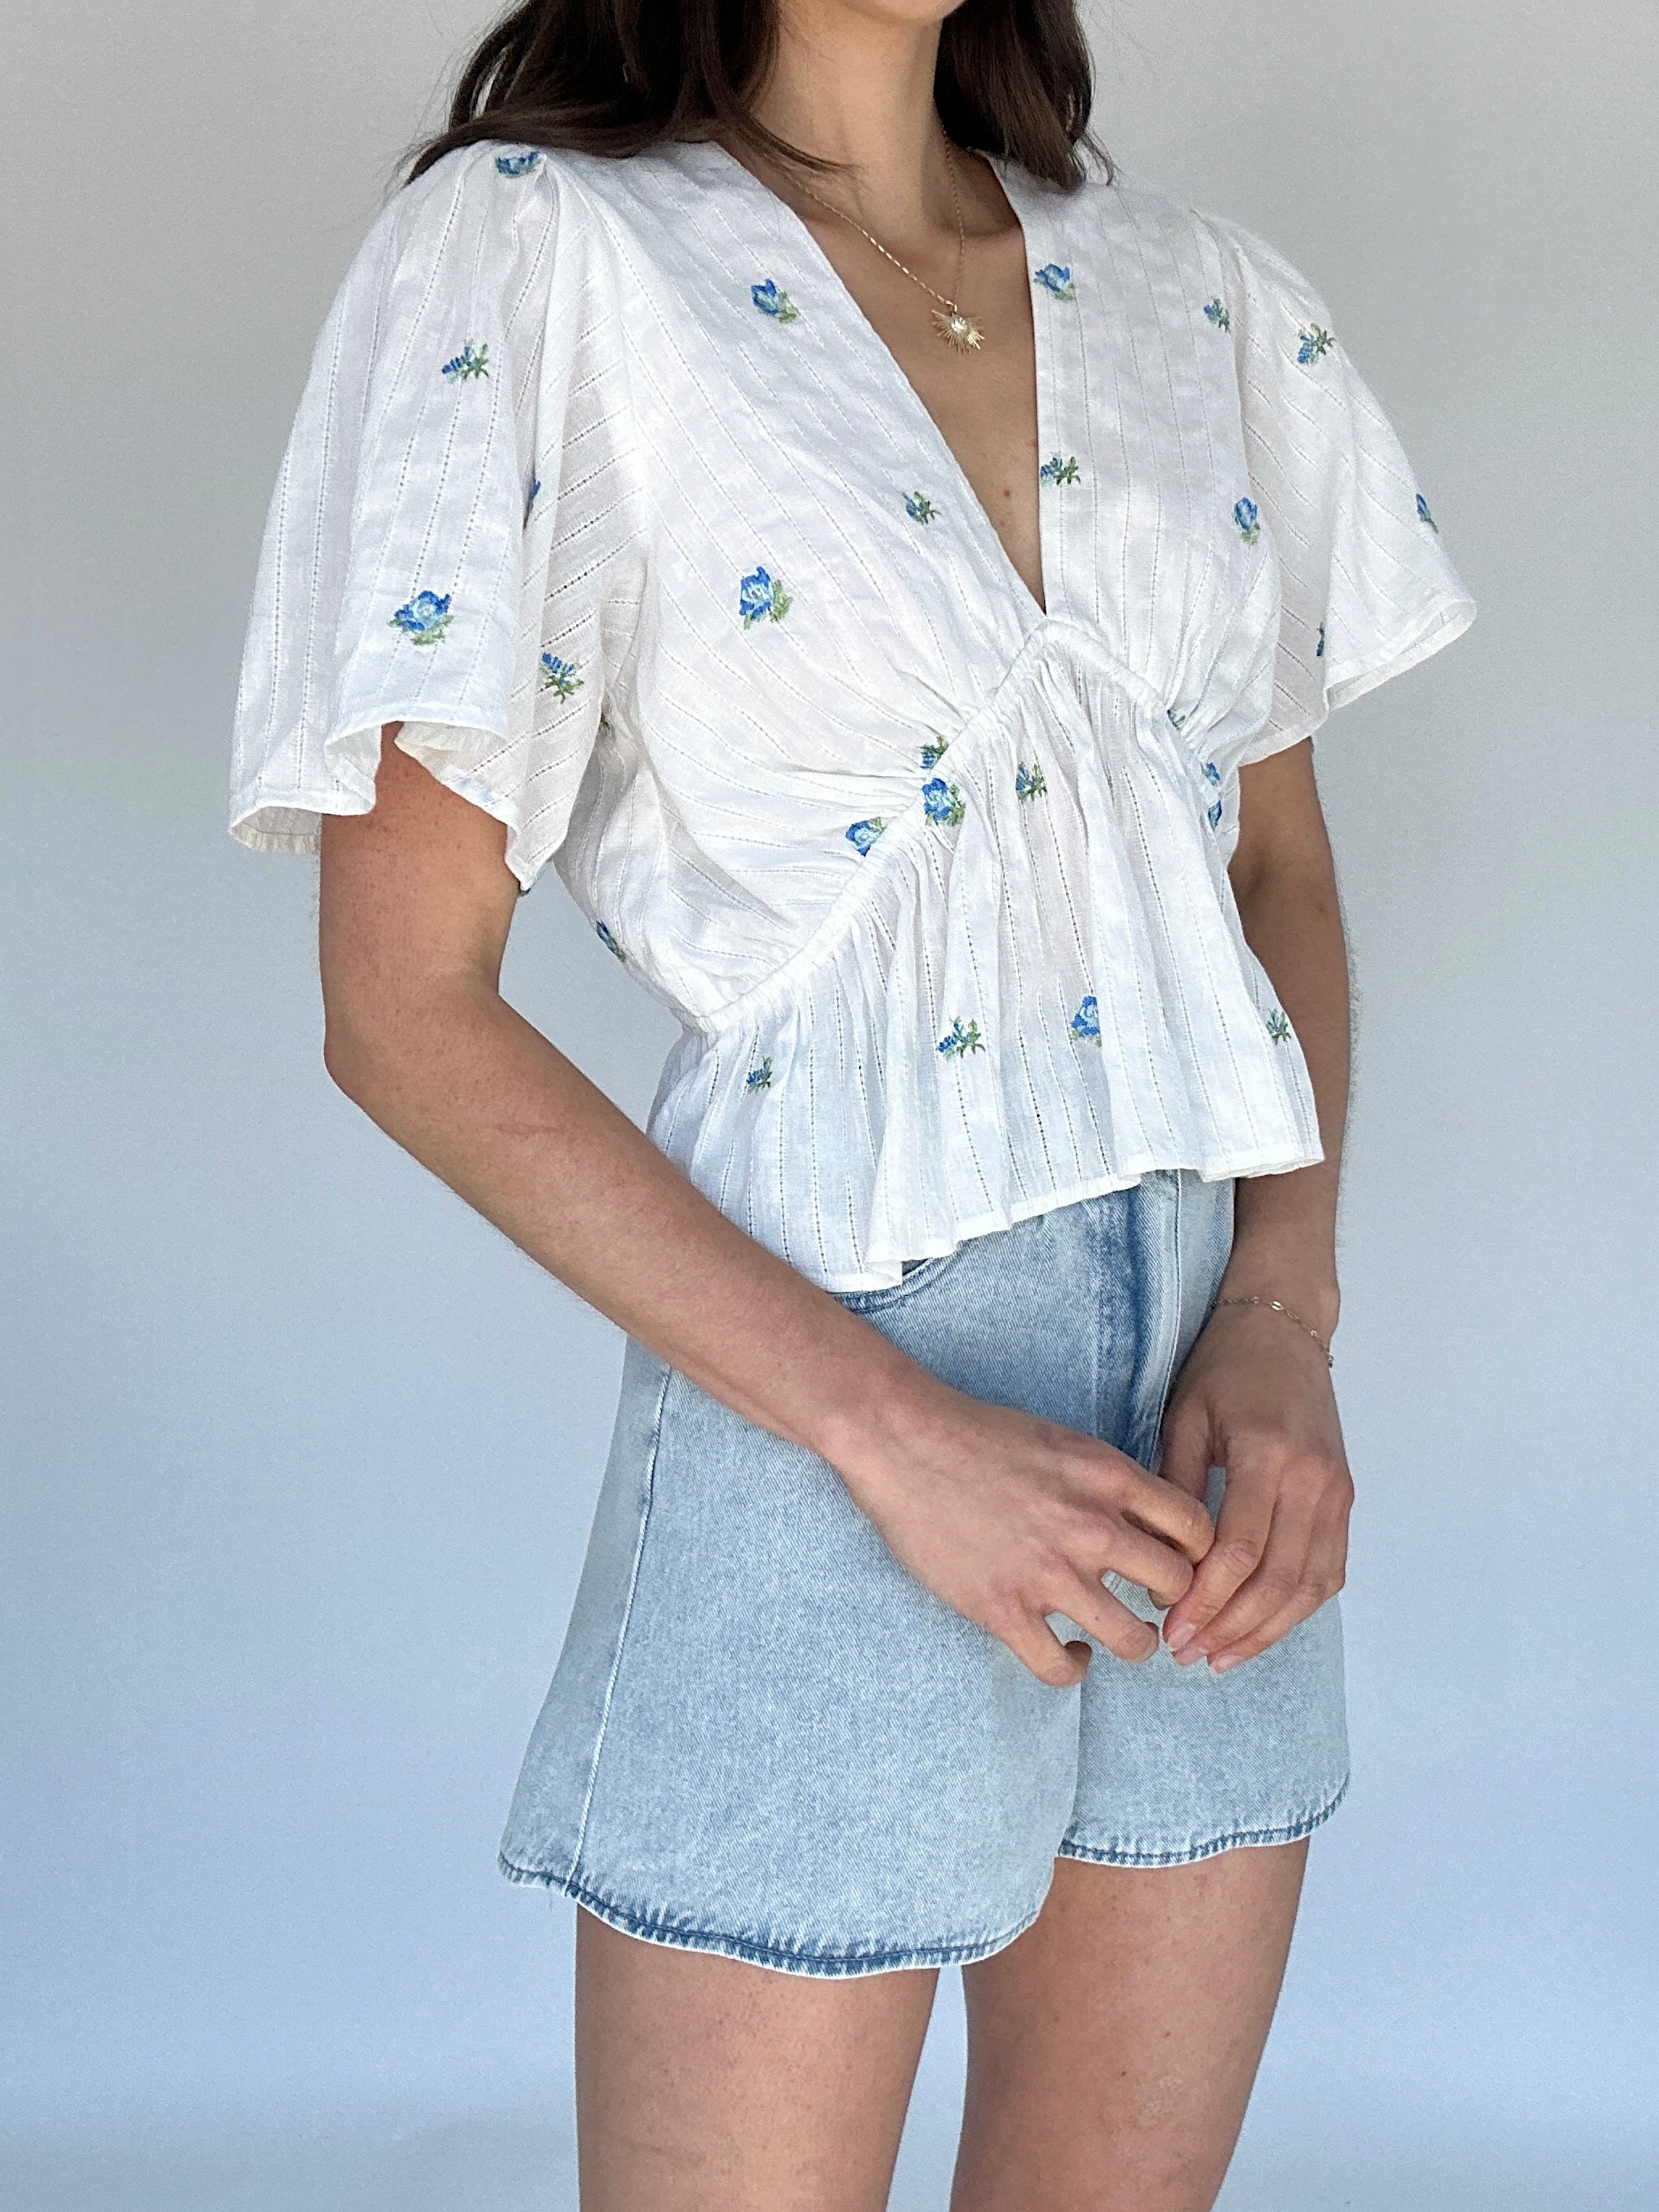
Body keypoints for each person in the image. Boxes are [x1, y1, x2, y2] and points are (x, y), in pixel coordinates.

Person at [228, 0, 1475, 2200]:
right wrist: (892, 1437)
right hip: (823, 1399)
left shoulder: (1197, 294)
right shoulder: (542, 252)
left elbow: (1268, 875)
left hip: (1214, 1437)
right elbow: (400, 1004)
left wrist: (1282, 1319)